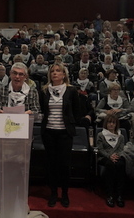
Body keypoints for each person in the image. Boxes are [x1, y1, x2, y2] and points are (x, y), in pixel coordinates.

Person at [39, 63, 80, 208]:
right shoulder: (44, 90)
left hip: (64, 133)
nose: (55, 73)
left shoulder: (71, 90)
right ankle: (53, 193)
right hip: (49, 132)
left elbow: (76, 110)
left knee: (64, 165)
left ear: (64, 74)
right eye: (52, 71)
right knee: (52, 164)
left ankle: (65, 193)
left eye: (58, 71)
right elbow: (42, 110)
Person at [96, 114, 126, 208]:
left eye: (113, 122)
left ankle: (119, 195)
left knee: (121, 165)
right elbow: (100, 149)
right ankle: (109, 194)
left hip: (117, 157)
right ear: (106, 123)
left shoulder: (121, 136)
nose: (111, 124)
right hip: (104, 158)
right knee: (110, 165)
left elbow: (121, 149)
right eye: (109, 122)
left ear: (116, 124)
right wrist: (110, 156)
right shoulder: (101, 135)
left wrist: (115, 156)